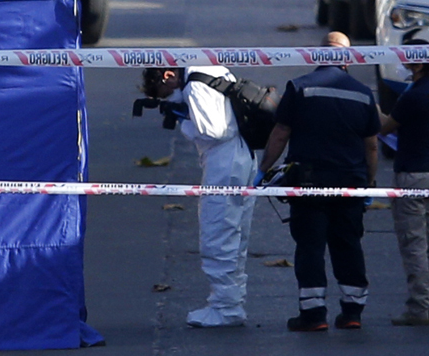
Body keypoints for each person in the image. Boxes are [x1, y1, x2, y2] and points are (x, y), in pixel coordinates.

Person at [257, 32, 380, 331]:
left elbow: (280, 133)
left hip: (309, 183)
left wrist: (263, 171)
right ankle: (352, 312)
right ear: (347, 60)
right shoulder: (363, 93)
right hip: (350, 183)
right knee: (348, 244)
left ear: (317, 56)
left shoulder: (298, 87)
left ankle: (313, 315)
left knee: (310, 246)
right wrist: (369, 183)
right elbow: (372, 146)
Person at [140, 65, 258, 328]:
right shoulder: (213, 72)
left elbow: (215, 131)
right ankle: (231, 302)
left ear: (168, 76)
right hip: (242, 157)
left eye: (164, 92)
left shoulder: (195, 86)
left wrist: (183, 116)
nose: (167, 98)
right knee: (236, 234)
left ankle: (225, 308)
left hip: (224, 162)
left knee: (217, 232)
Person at [379, 39, 429, 326]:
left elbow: (384, 127)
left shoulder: (413, 96)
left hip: (412, 176)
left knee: (414, 243)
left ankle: (418, 307)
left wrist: (371, 106)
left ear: (416, 62)